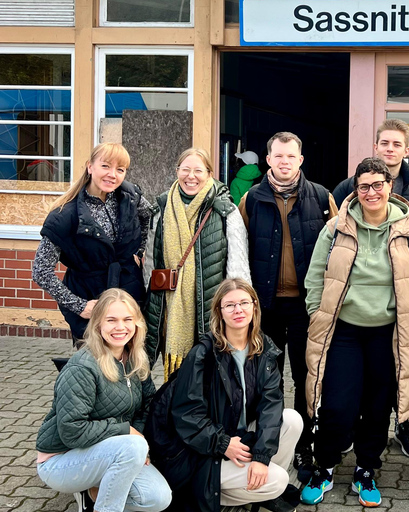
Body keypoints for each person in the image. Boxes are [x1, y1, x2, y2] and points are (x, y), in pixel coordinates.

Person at [301, 157, 409, 507]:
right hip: (344, 331)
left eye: (378, 185)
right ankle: (324, 466)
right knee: (338, 406)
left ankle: (366, 470)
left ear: (390, 187)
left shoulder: (408, 230)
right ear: (355, 190)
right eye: (364, 186)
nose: (371, 192)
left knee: (377, 406)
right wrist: (317, 311)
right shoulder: (336, 228)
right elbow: (315, 276)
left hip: (387, 333)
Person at [145, 278, 302, 512]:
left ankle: (256, 485)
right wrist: (223, 443)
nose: (238, 310)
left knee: (292, 420)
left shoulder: (264, 350)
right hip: (201, 451)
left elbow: (272, 406)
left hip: (236, 437)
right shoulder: (203, 354)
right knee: (279, 480)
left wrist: (260, 458)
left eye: (244, 303)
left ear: (254, 307)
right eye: (229, 305)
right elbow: (187, 414)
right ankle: (238, 493)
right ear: (220, 311)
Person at [238, 131, 337, 480]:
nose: (284, 162)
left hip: (306, 307)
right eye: (277, 156)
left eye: (290, 156)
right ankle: (274, 441)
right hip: (265, 307)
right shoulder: (250, 199)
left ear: (300, 159)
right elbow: (239, 250)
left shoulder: (322, 198)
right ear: (268, 160)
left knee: (307, 376)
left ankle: (304, 445)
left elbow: (338, 252)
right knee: (269, 378)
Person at [333, 118, 409, 458]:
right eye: (384, 143)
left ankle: (403, 426)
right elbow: (331, 243)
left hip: (397, 305)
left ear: (406, 149)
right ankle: (347, 432)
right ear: (376, 146)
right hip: (353, 315)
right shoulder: (348, 186)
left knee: (394, 379)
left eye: (396, 144)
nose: (390, 149)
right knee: (354, 384)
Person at [36, 288, 172, 512]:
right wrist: (126, 433)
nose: (120, 327)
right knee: (133, 445)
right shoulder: (82, 367)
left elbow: (148, 406)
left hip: (114, 450)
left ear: (137, 323)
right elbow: (71, 430)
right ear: (98, 324)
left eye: (128, 319)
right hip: (62, 460)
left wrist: (134, 438)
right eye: (111, 320)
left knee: (157, 498)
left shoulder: (136, 359)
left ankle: (92, 494)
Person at [144, 147, 251, 379]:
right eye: (185, 169)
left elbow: (238, 268)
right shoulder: (162, 208)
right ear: (177, 171)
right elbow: (151, 262)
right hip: (170, 309)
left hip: (212, 308)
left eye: (198, 171)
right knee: (177, 377)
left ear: (209, 174)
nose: (191, 176)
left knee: (210, 375)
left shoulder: (226, 211)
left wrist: (237, 307)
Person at [33, 142, 153, 342]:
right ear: (90, 167)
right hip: (90, 299)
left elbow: (150, 216)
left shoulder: (131, 197)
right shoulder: (65, 216)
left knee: (131, 364)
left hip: (129, 296)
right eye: (105, 166)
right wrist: (79, 305)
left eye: (120, 169)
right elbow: (41, 271)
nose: (112, 174)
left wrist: (140, 250)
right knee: (95, 368)